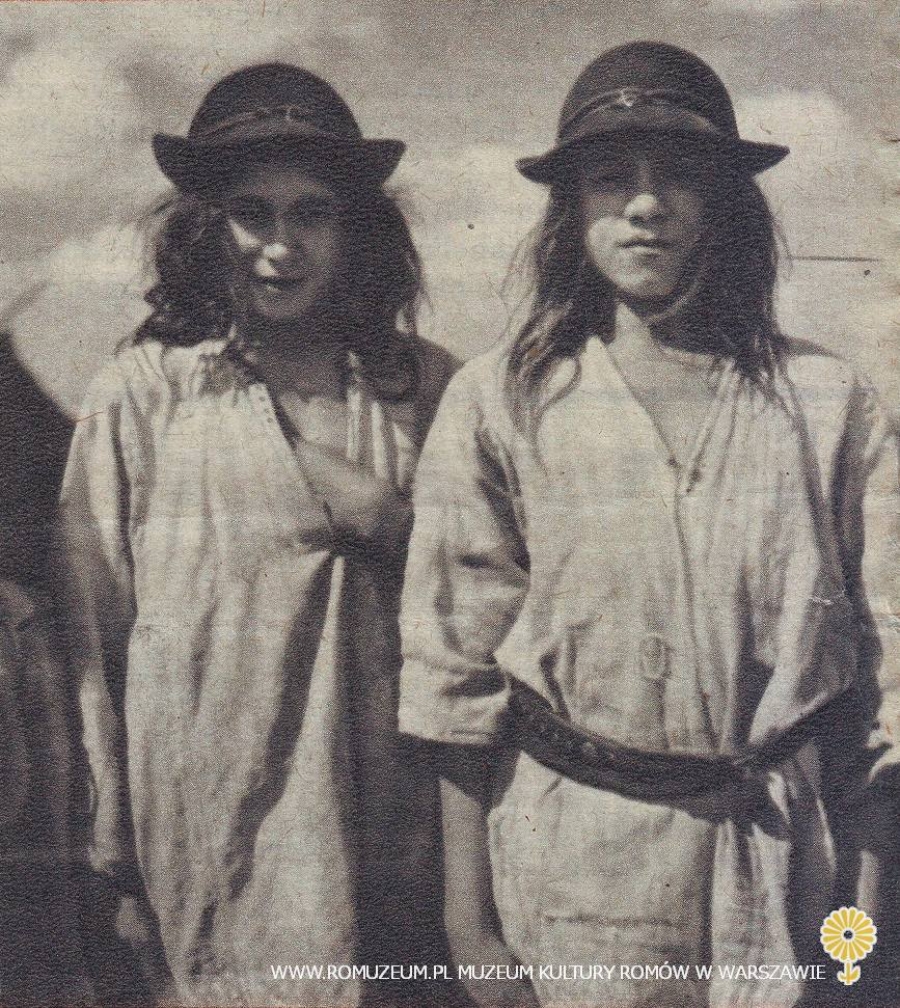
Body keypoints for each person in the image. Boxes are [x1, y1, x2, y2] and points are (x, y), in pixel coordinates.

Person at [398, 42, 899, 1008]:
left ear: (726, 204)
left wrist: (864, 908)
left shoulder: (828, 403)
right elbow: (452, 679)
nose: (645, 205)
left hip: (784, 875)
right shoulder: (503, 400)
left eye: (680, 176)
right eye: (609, 179)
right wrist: (471, 929)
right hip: (576, 867)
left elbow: (886, 680)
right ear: (570, 210)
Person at [59, 62, 455, 1007]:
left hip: (399, 837)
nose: (280, 247)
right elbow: (93, 633)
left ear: (356, 229)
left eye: (312, 213)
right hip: (212, 836)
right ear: (206, 228)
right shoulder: (145, 395)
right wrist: (111, 855)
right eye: (251, 214)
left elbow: (477, 609)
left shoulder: (425, 388)